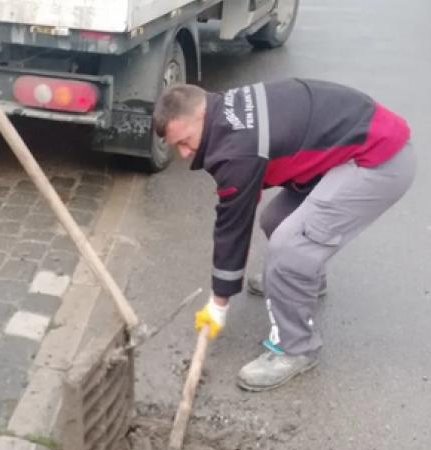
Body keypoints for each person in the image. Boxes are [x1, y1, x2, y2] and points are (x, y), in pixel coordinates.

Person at [153, 78, 415, 391]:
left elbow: (233, 226)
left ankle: (296, 348)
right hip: (352, 147)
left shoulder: (236, 149)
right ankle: (304, 283)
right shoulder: (224, 108)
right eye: (177, 146)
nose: (184, 154)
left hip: (378, 161)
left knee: (288, 249)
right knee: (277, 219)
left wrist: (218, 304)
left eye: (185, 141)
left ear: (200, 115)